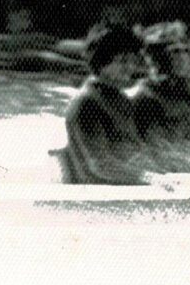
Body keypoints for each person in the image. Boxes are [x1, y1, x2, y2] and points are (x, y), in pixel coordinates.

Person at [60, 21, 150, 185]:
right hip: (95, 199)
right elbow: (100, 165)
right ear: (101, 60)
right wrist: (153, 180)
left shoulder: (121, 99)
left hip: (126, 189)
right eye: (122, 61)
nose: (130, 67)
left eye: (132, 60)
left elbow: (137, 153)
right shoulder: (86, 103)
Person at [131, 22, 190, 171]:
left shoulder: (186, 94)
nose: (185, 57)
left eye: (185, 51)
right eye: (176, 51)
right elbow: (158, 152)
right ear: (159, 56)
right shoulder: (144, 98)